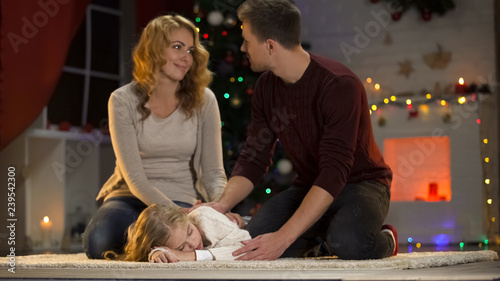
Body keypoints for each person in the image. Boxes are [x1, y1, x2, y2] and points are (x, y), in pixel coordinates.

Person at [196, 0, 396, 261]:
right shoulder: (266, 88)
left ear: (269, 45)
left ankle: (386, 239)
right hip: (310, 186)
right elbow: (254, 157)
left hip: (362, 183)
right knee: (253, 243)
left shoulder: (339, 85)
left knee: (350, 244)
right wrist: (222, 204)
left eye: (247, 40)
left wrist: (283, 237)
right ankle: (323, 236)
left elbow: (335, 172)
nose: (243, 47)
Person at [83, 14, 233, 259]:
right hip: (130, 198)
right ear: (153, 50)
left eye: (190, 50)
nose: (186, 57)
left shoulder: (205, 100)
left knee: (191, 239)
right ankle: (157, 248)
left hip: (183, 199)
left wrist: (219, 208)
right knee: (100, 241)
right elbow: (135, 178)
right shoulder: (122, 100)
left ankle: (159, 249)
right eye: (177, 47)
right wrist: (176, 214)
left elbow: (215, 172)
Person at [105, 205, 251, 262]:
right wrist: (157, 254)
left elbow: (248, 248)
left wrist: (189, 255)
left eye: (190, 231)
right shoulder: (166, 244)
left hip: (248, 224)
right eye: (181, 248)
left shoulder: (204, 217)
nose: (194, 243)